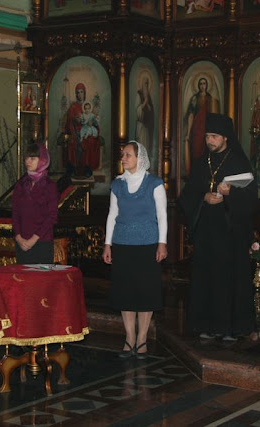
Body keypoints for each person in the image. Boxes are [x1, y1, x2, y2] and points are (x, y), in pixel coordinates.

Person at [179, 113, 258, 341]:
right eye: (207, 137)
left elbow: (252, 199)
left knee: (228, 279)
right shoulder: (201, 162)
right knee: (205, 277)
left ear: (225, 137)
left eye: (214, 136)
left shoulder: (238, 162)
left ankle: (229, 328)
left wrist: (230, 193)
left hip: (229, 232)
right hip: (206, 231)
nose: (209, 141)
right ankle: (205, 324)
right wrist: (203, 197)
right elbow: (187, 195)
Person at [102, 141, 167, 359]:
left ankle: (142, 339)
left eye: (128, 155)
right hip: (122, 245)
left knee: (145, 292)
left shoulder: (155, 183)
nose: (123, 158)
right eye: (123, 155)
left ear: (140, 158)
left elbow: (162, 215)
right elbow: (112, 214)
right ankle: (129, 338)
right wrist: (108, 244)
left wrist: (162, 243)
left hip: (148, 245)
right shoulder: (117, 184)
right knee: (126, 292)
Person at [12, 143, 59, 264]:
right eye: (26, 158)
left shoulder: (50, 186)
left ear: (42, 160)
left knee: (40, 276)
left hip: (42, 243)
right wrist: (18, 237)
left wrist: (33, 239)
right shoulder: (21, 184)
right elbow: (15, 213)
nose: (28, 161)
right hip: (21, 243)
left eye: (32, 158)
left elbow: (52, 217)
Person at [184, 77, 220, 175]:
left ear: (207, 85)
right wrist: (188, 133)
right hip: (197, 129)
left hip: (207, 129)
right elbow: (191, 115)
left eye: (204, 83)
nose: (202, 86)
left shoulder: (210, 98)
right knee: (196, 150)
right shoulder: (195, 98)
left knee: (206, 151)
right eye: (201, 84)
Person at [64, 83, 101, 176]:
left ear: (84, 93)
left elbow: (94, 121)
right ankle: (73, 168)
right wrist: (75, 120)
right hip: (75, 131)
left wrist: (91, 123)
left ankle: (87, 168)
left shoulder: (88, 105)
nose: (79, 94)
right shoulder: (73, 107)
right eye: (78, 92)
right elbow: (69, 121)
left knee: (90, 141)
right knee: (73, 141)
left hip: (87, 130)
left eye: (81, 92)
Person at [135, 76, 155, 158]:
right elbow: (137, 110)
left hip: (147, 126)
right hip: (141, 125)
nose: (146, 85)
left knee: (146, 146)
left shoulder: (148, 96)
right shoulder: (139, 94)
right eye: (145, 83)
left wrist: (149, 107)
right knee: (140, 145)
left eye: (147, 83)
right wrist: (144, 103)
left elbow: (151, 112)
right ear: (142, 83)